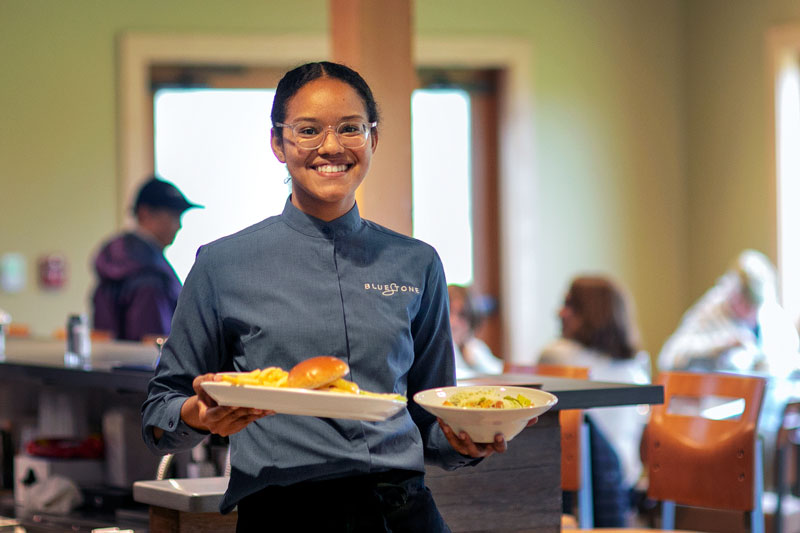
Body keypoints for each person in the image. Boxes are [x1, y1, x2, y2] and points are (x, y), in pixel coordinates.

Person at [141, 61, 528, 532]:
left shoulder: (417, 263)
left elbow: (430, 418)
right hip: (284, 516)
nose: (331, 147)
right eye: (308, 130)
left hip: (404, 514)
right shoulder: (222, 265)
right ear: (278, 143)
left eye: (350, 128)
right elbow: (160, 413)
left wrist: (467, 442)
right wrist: (200, 415)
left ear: (373, 139)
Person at [538, 275, 651, 527]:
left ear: (591, 314)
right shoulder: (636, 369)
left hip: (579, 493)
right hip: (622, 492)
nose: (560, 312)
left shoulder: (558, 356)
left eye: (570, 305)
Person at [657, 249, 800, 376]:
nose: (750, 313)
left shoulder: (771, 312)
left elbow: (792, 358)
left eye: (753, 306)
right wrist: (721, 345)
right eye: (744, 303)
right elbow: (668, 357)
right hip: (721, 398)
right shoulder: (712, 310)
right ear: (733, 292)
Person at [92, 176, 201, 341]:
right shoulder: (150, 274)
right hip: (147, 364)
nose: (179, 226)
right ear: (145, 213)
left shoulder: (115, 259)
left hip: (108, 363)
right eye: (173, 216)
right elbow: (154, 342)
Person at [447, 284, 503, 378]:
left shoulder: (476, 348)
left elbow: (500, 372)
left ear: (471, 321)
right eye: (448, 311)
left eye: (462, 315)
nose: (452, 322)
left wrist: (475, 362)